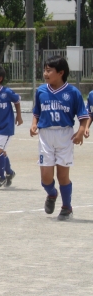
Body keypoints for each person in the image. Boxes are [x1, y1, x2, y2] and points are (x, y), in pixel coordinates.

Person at [31, 56, 89, 220]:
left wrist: (81, 131)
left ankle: (66, 207)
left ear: (61, 72)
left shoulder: (73, 92)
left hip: (65, 135)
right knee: (45, 178)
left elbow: (83, 116)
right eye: (44, 70)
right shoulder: (41, 91)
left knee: (63, 176)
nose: (45, 74)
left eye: (49, 70)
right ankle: (52, 193)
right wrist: (34, 124)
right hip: (46, 136)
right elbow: (37, 112)